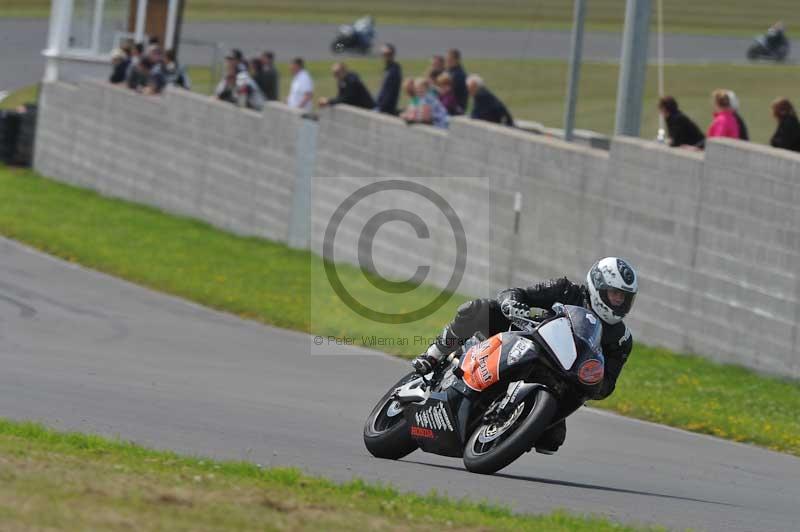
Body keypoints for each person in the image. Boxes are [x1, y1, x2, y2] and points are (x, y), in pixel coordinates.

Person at [412, 257, 638, 455]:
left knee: (551, 441)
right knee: (477, 309)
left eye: (624, 297)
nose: (619, 301)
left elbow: (608, 384)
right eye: (615, 294)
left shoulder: (621, 339)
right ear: (597, 286)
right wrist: (512, 303)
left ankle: (507, 425)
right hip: (527, 339)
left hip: (563, 380)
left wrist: (594, 380)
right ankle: (434, 354)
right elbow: (517, 293)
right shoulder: (566, 289)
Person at [374, 43, 402, 115]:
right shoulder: (388, 68)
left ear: (392, 54)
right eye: (383, 54)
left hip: (386, 109)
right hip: (380, 105)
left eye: (388, 54)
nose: (385, 57)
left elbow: (390, 92)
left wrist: (381, 108)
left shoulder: (394, 70)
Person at [446, 49, 468, 114]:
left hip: (456, 109)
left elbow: (447, 92)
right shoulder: (450, 71)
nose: (447, 61)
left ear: (457, 60)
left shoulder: (458, 75)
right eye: (447, 59)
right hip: (450, 105)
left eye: (450, 59)